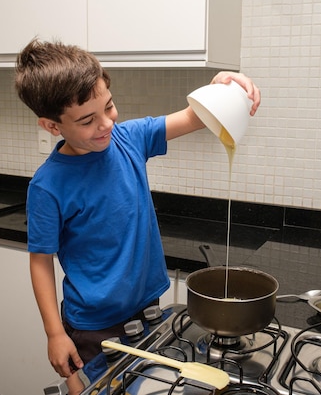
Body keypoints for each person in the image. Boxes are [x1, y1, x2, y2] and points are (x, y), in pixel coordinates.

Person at [14, 39, 261, 395]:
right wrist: (55, 333)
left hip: (147, 308)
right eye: (87, 120)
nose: (105, 124)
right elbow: (40, 261)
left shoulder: (130, 138)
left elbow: (195, 116)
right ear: (52, 126)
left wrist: (223, 88)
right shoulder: (48, 186)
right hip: (94, 327)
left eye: (109, 107)